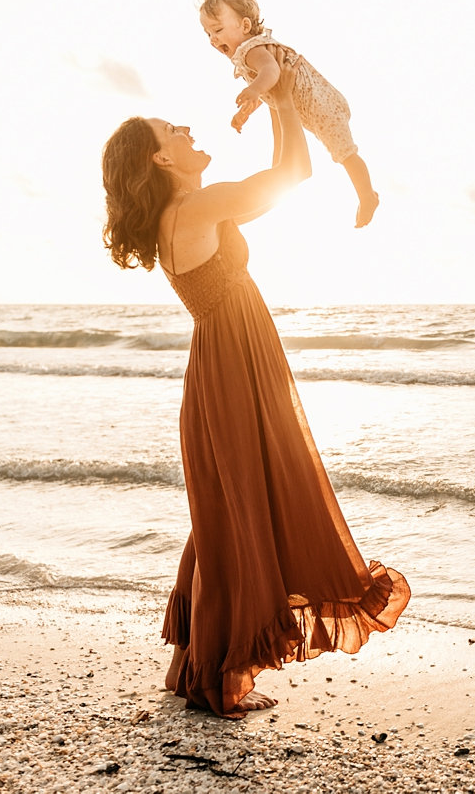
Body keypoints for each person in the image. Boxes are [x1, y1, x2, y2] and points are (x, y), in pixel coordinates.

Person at [100, 81, 409, 719]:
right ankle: (218, 671)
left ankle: (202, 664)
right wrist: (282, 98)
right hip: (233, 365)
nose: (186, 130)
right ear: (161, 160)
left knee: (229, 508)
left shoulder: (181, 213)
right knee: (242, 503)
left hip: (224, 361)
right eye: (172, 132)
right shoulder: (201, 206)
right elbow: (292, 171)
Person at [198, 0, 381, 228]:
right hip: (306, 105)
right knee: (325, 155)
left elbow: (271, 72)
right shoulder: (254, 50)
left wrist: (253, 90)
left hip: (321, 105)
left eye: (218, 30)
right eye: (207, 33)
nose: (213, 39)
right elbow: (269, 88)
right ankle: (280, 178)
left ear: (244, 26)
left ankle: (367, 195)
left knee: (345, 153)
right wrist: (250, 105)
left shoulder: (251, 49)